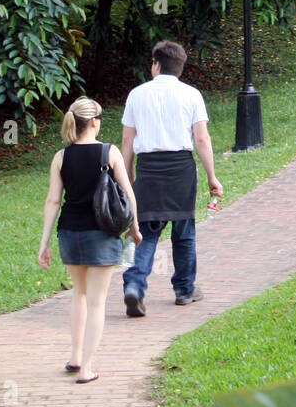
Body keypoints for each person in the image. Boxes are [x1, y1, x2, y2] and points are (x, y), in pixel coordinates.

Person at [38, 95, 141, 382]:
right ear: (94, 122)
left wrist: (44, 242)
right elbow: (128, 194)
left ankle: (75, 356)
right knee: (97, 302)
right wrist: (135, 228)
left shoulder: (61, 156)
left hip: (69, 234)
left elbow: (52, 201)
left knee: (79, 295)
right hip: (101, 233)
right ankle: (87, 368)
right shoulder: (109, 153)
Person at [120, 40, 222, 315]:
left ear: (155, 64)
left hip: (149, 169)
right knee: (184, 232)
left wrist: (127, 174)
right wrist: (212, 176)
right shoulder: (191, 95)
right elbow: (201, 138)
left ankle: (134, 286)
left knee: (144, 232)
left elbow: (127, 141)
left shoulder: (136, 95)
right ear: (180, 68)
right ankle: (184, 289)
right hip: (181, 169)